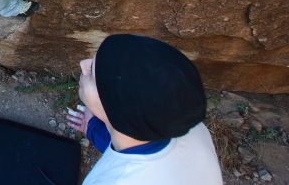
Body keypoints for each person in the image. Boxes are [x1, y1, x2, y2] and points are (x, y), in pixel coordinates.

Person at [65, 34, 223, 184]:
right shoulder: (189, 127)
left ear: (119, 113)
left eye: (93, 73)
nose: (83, 64)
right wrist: (94, 129)